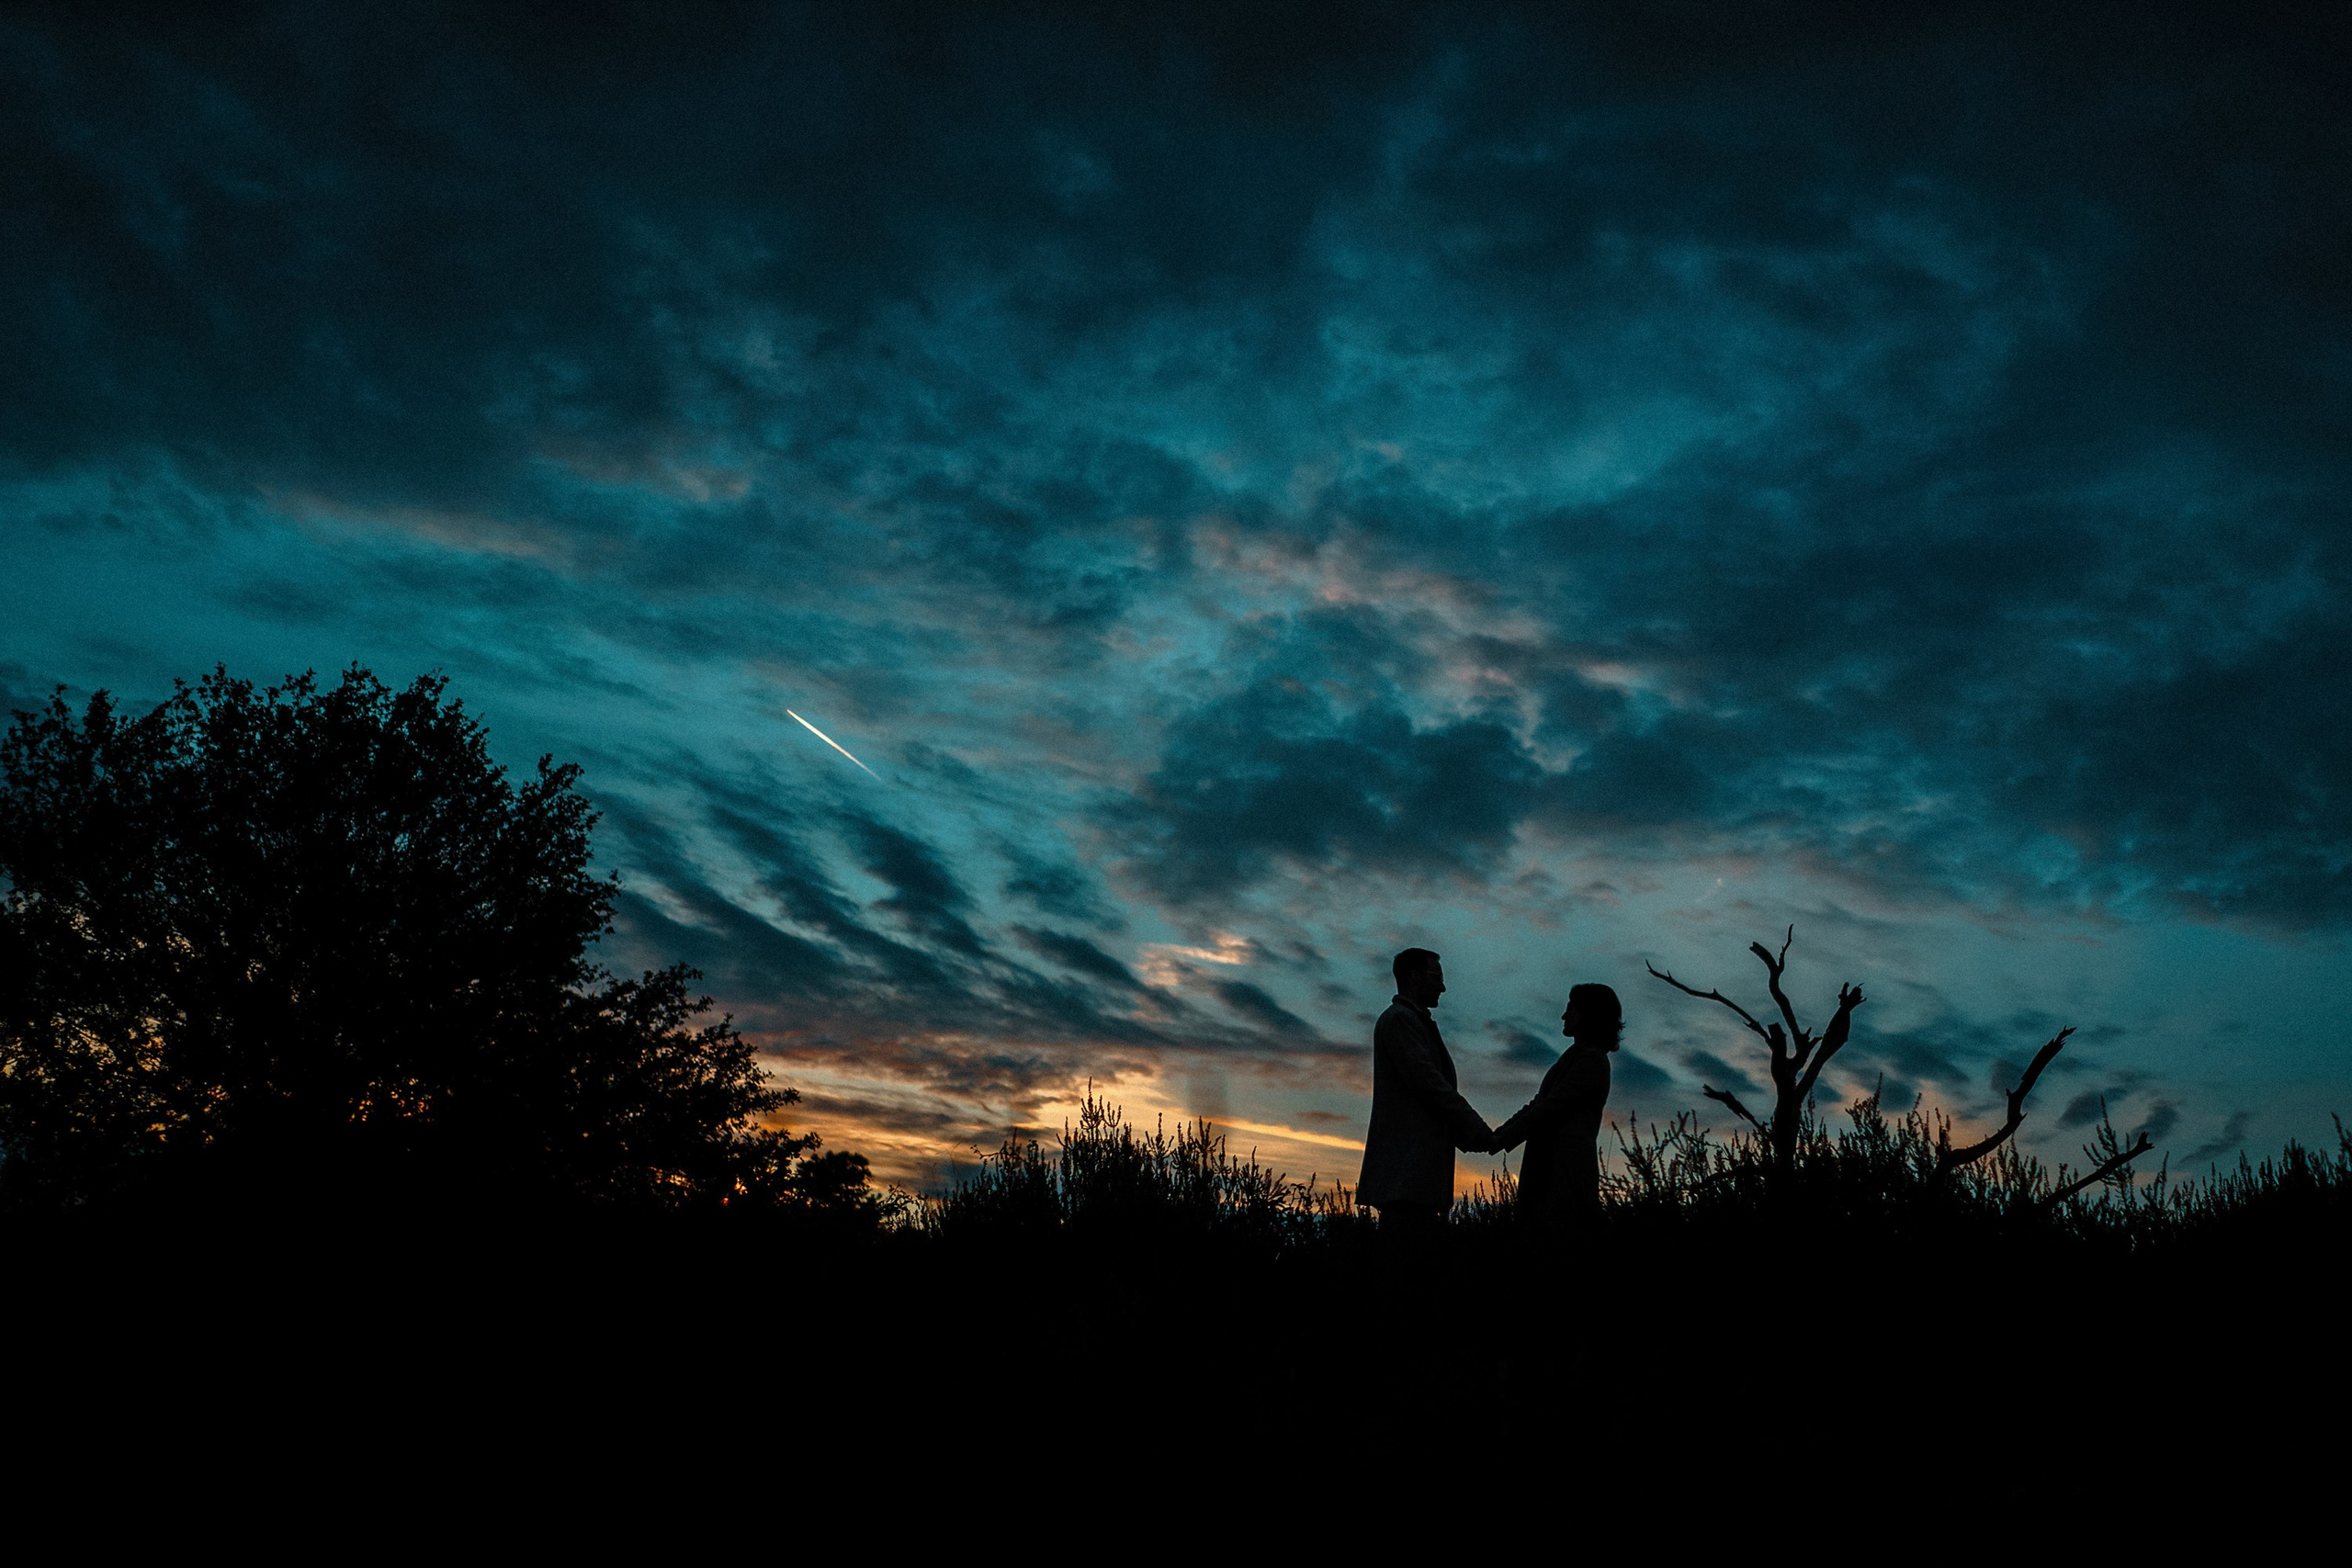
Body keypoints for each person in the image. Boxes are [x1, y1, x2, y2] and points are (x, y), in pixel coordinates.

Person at [1356, 948, 1496, 1236]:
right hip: (1406, 1175)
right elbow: (1429, 1084)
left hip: (1415, 1176)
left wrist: (1468, 1134)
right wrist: (1475, 1129)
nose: (1443, 986)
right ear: (1415, 977)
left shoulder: (1413, 1021)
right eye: (1436, 977)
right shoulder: (1399, 1021)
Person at [1491, 983, 1619, 1229]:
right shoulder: (1576, 1056)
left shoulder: (1591, 1059)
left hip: (1564, 1174)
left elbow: (1550, 1108)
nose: (1564, 1015)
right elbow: (1540, 1105)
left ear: (1589, 1014)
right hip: (1551, 1171)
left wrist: (1500, 1138)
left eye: (1571, 1008)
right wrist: (1499, 1134)